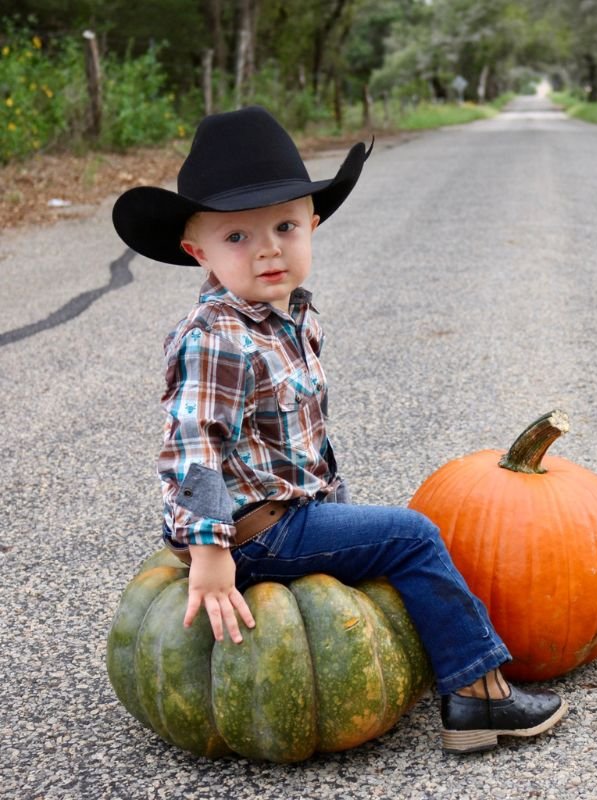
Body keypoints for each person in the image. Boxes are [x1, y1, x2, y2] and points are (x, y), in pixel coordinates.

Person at [112, 105, 567, 754]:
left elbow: (295, 436)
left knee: (366, 527)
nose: (267, 246)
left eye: (285, 225)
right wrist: (211, 553)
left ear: (313, 225)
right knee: (413, 537)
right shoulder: (213, 337)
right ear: (198, 252)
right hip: (250, 536)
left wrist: (330, 494)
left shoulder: (289, 314)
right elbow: (194, 452)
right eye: (237, 237)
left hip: (285, 509)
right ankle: (478, 695)